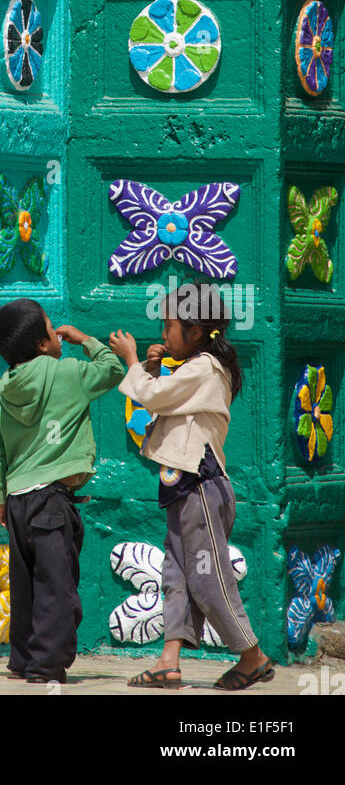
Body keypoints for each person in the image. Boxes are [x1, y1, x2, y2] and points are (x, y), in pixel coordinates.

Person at [110, 282, 274, 691]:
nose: (163, 335)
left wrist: (132, 360)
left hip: (200, 487)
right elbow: (162, 392)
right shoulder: (193, 367)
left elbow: (154, 398)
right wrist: (152, 365)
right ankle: (169, 661)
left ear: (197, 331)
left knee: (206, 576)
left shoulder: (205, 368)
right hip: (183, 488)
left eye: (169, 326)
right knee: (177, 576)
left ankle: (253, 656)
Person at [0, 298, 125, 683]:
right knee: (56, 585)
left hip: (16, 501)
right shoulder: (68, 373)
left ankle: (22, 658)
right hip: (51, 500)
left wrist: (1, 498)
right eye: (51, 327)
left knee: (26, 583)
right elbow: (113, 370)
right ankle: (46, 665)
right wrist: (85, 340)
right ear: (43, 343)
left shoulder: (2, 390)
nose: (57, 331)